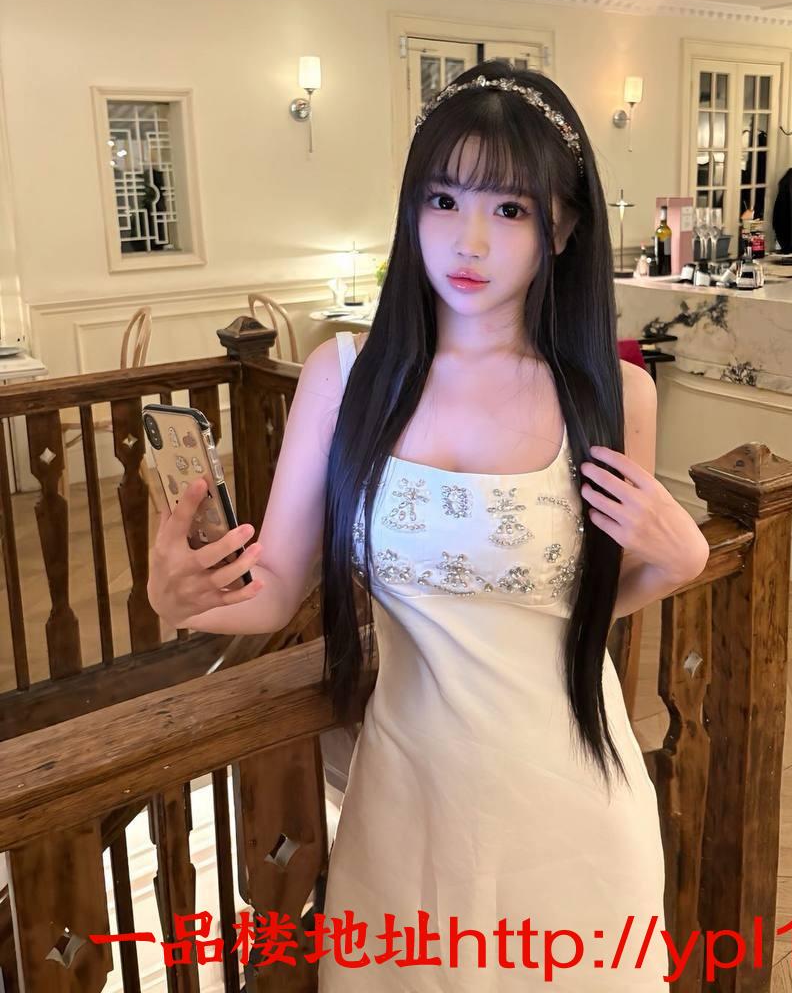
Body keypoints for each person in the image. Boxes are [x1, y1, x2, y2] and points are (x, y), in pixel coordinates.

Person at [148, 61, 710, 988]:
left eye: (510, 209)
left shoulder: (614, 397)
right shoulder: (345, 378)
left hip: (569, 793)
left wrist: (681, 559)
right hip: (406, 796)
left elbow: (586, 601)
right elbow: (274, 590)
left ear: (562, 226)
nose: (468, 240)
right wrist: (182, 600)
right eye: (443, 199)